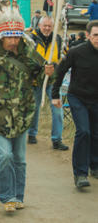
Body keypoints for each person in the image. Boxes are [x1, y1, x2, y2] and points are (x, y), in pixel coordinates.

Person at [0, 6, 54, 213]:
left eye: (16, 37)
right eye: (9, 37)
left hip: (23, 116)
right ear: (1, 38)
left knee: (20, 160)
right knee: (5, 156)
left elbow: (43, 79)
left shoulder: (30, 55)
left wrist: (49, 72)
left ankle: (18, 196)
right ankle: (7, 197)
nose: (13, 41)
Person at [52, 20, 98, 189]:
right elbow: (60, 71)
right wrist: (55, 94)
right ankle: (80, 174)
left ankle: (95, 165)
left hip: (96, 99)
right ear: (88, 36)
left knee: (95, 133)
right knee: (84, 131)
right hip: (77, 97)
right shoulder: (76, 52)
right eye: (95, 35)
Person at [27, 17, 68, 150]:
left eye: (49, 26)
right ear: (39, 25)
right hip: (35, 80)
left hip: (52, 80)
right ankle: (32, 133)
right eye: (45, 26)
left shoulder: (57, 39)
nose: (47, 28)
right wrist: (40, 68)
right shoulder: (31, 39)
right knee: (35, 107)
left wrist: (54, 68)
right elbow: (28, 59)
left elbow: (62, 58)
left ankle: (57, 139)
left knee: (57, 109)